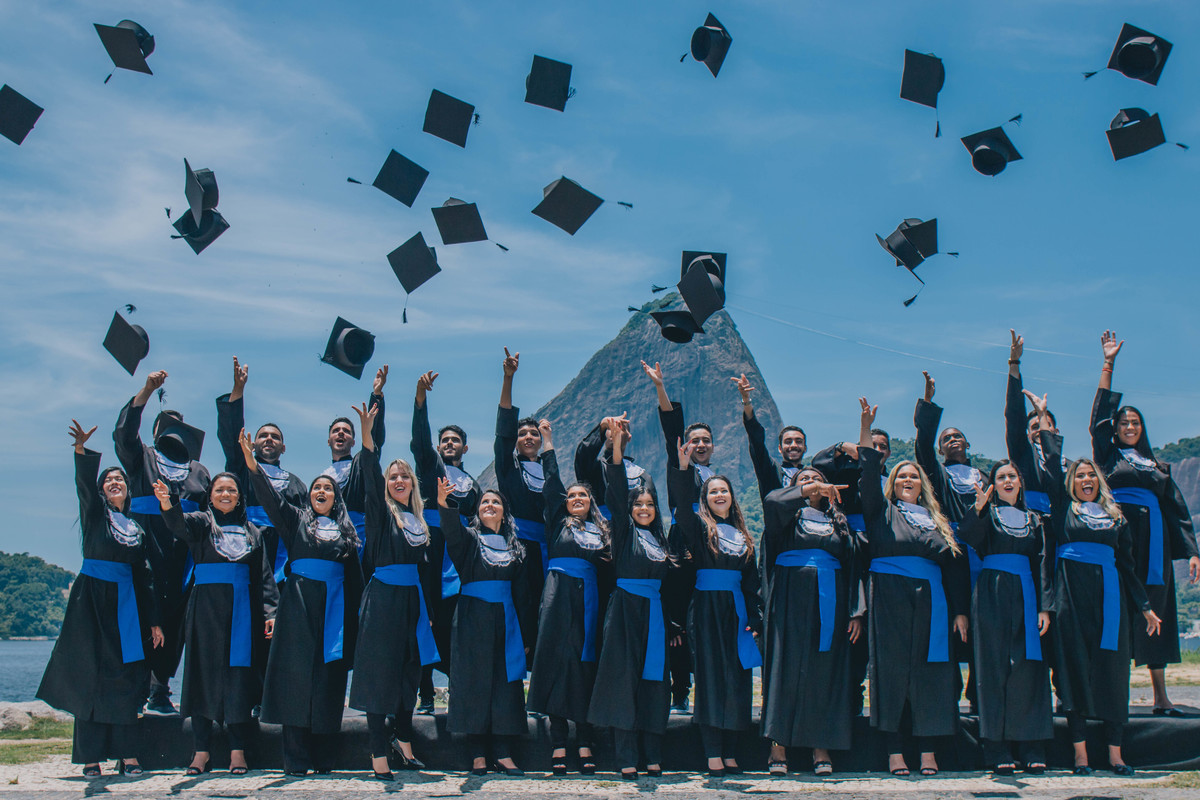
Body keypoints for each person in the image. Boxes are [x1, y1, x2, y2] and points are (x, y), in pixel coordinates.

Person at [239, 407, 367, 776]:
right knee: (296, 681)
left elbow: (355, 581)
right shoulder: (295, 521)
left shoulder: (347, 535)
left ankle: (324, 757)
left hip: (335, 612)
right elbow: (269, 498)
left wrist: (355, 622)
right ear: (308, 497)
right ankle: (295, 759)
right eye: (317, 488)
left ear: (336, 498)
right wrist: (252, 466)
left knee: (328, 682)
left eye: (328, 488)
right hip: (296, 609)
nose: (322, 491)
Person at [1039, 404, 1161, 776]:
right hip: (1070, 602)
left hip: (1111, 603)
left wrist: (1144, 606)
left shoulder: (1115, 517)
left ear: (1099, 481)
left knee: (1112, 673)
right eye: (1080, 477)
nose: (1087, 481)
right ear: (1072, 483)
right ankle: (1080, 755)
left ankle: (1115, 753)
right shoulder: (1063, 510)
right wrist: (1045, 423)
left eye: (1092, 476)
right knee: (1072, 671)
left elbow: (1126, 566)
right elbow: (1052, 460)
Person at [38, 421, 164, 778]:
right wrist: (81, 452)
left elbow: (146, 578)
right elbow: (83, 487)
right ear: (102, 489)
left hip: (127, 606)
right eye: (108, 480)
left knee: (127, 676)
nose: (114, 483)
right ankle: (90, 759)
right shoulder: (95, 517)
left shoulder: (135, 529)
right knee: (90, 676)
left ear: (127, 489)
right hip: (91, 603)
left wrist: (154, 620)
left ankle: (128, 755)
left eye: (120, 479)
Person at [857, 397, 969, 777]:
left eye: (914, 476)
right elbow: (868, 476)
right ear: (893, 482)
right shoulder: (880, 511)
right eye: (902, 476)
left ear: (922, 484)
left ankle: (927, 750)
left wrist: (960, 611)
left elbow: (954, 569)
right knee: (890, 672)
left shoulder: (939, 521)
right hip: (888, 597)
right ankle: (893, 751)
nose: (908, 480)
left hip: (932, 602)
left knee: (931, 674)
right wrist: (866, 432)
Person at [1091, 330, 1200, 714]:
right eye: (1124, 423)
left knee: (1159, 612)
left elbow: (1177, 509)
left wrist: (1192, 553)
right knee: (1117, 612)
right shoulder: (1108, 458)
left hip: (1154, 548)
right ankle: (1111, 695)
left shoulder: (1158, 465)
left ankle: (1160, 696)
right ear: (1116, 430)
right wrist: (1109, 365)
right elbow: (1099, 416)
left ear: (1142, 428)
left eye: (1135, 422)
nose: (1130, 426)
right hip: (1121, 541)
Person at [160, 471, 278, 775]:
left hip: (242, 612)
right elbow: (177, 525)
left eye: (232, 490)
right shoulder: (201, 523)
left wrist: (271, 612)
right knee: (202, 678)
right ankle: (201, 752)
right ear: (210, 495)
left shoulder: (253, 531)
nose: (226, 495)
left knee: (239, 681)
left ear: (240, 497)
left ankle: (238, 751)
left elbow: (263, 576)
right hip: (205, 612)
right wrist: (168, 504)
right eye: (219, 490)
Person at [113, 370, 211, 715]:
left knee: (175, 621)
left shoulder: (198, 470)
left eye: (177, 424)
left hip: (183, 556)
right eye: (165, 424)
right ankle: (134, 689)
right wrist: (146, 391)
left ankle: (161, 687)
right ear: (154, 431)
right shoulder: (143, 458)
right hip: (146, 547)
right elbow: (123, 435)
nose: (171, 429)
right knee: (143, 615)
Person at [670, 438, 763, 777]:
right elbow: (681, 506)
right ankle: (712, 751)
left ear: (732, 497)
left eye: (724, 491)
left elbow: (752, 584)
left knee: (738, 679)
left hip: (737, 610)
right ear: (706, 500)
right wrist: (683, 469)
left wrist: (754, 619)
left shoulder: (744, 535)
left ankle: (732, 750)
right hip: (707, 608)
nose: (719, 495)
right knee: (710, 678)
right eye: (713, 492)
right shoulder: (698, 528)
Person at [760, 466, 860, 776]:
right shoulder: (785, 516)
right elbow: (773, 501)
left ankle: (821, 746)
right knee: (784, 668)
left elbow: (853, 565)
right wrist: (807, 489)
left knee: (824, 669)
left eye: (817, 478)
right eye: (804, 479)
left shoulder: (837, 522)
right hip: (789, 599)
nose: (812, 482)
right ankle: (778, 744)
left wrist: (857, 611)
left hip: (831, 600)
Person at [587, 416, 672, 779]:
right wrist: (617, 448)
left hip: (653, 612)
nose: (643, 509)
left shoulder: (660, 541)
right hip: (624, 610)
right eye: (639, 505)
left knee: (654, 681)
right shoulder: (622, 531)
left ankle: (651, 754)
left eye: (650, 506)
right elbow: (618, 490)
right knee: (624, 682)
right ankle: (625, 757)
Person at [349, 444, 439, 780]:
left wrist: (426, 609)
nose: (398, 480)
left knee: (410, 673)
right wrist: (369, 435)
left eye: (404, 475)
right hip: (384, 598)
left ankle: (403, 740)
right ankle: (377, 751)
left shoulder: (418, 521)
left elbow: (424, 572)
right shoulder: (380, 513)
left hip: (413, 600)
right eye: (393, 476)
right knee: (379, 673)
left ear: (413, 483)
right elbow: (369, 478)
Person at [957, 457, 1052, 774]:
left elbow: (1042, 566)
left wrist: (1044, 607)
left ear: (1020, 482)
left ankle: (1030, 745)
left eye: (1012, 476)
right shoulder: (989, 515)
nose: (1007, 481)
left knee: (1028, 671)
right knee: (993, 670)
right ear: (993, 485)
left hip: (1026, 594)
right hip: (992, 593)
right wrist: (979, 508)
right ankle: (996, 749)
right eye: (1000, 477)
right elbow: (968, 537)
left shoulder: (1035, 520)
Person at [526, 418, 609, 775]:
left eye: (583, 496)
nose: (576, 499)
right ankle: (559, 742)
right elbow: (552, 483)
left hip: (589, 601)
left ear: (592, 503)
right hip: (557, 597)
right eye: (572, 496)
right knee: (559, 665)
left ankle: (586, 740)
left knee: (585, 667)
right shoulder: (557, 521)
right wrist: (547, 442)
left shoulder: (603, 531)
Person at [437, 477, 535, 776]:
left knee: (506, 685)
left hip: (507, 620)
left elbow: (524, 595)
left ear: (505, 512)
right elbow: (451, 531)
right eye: (484, 502)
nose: (490, 505)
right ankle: (478, 754)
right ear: (477, 511)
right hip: (471, 618)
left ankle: (504, 753)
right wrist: (443, 503)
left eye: (496, 502)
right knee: (474, 684)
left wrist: (526, 634)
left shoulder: (517, 548)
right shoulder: (468, 540)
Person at [643, 360, 711, 715]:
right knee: (679, 622)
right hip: (683, 547)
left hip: (711, 551)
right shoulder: (680, 465)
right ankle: (679, 690)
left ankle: (709, 691)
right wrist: (660, 388)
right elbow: (673, 434)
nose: (699, 445)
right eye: (694, 440)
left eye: (705, 441)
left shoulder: (717, 480)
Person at [914, 371, 984, 711]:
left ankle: (978, 693)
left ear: (968, 444)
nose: (953, 440)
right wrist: (927, 403)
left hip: (984, 555)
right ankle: (950, 695)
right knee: (953, 621)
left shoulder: (985, 476)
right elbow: (922, 445)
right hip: (951, 553)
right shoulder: (937, 475)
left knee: (983, 622)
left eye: (958, 436)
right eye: (946, 438)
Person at [411, 369, 480, 714]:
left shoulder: (473, 483)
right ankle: (425, 695)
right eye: (445, 440)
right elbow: (420, 440)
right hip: (430, 548)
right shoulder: (430, 467)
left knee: (456, 622)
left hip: (460, 552)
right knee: (425, 617)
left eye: (456, 440)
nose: (449, 444)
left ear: (465, 447)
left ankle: (458, 689)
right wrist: (420, 399)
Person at [811, 428, 891, 721]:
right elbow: (818, 466)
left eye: (883, 447)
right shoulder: (846, 475)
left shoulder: (894, 483)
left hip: (885, 553)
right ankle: (851, 697)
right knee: (852, 624)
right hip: (851, 551)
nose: (877, 451)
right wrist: (842, 447)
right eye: (872, 446)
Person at [217, 357, 308, 587]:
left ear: (283, 448)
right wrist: (238, 390)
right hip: (243, 547)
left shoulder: (296, 484)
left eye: (275, 436)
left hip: (283, 560)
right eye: (263, 436)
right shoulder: (242, 470)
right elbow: (231, 435)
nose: (269, 439)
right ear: (253, 445)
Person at [494, 348, 549, 618]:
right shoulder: (508, 468)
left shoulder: (549, 469)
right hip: (518, 546)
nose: (528, 437)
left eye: (534, 434)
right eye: (522, 433)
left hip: (549, 549)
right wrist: (508, 379)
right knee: (521, 608)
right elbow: (503, 430)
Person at [322, 365, 388, 549]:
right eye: (336, 431)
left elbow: (373, 440)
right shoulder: (322, 478)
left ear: (353, 441)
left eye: (346, 431)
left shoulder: (359, 466)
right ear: (328, 440)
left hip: (358, 539)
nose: (341, 433)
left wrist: (376, 395)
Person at [732, 373, 806, 492]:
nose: (793, 445)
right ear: (780, 448)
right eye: (788, 442)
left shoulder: (812, 476)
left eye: (798, 441)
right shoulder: (771, 472)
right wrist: (746, 400)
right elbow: (756, 439)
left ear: (805, 448)